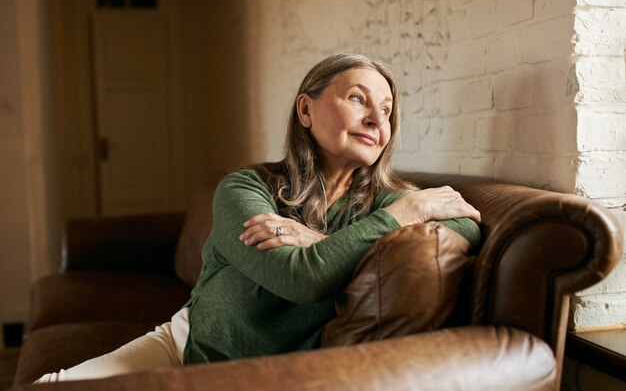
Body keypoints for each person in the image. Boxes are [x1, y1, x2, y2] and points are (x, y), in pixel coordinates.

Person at [36, 53, 481, 382]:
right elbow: (299, 280)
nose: (375, 119)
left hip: (265, 376)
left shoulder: (389, 203)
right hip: (185, 346)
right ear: (305, 110)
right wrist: (356, 239)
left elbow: (466, 224)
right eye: (357, 99)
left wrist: (316, 240)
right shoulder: (245, 189)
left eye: (386, 110)